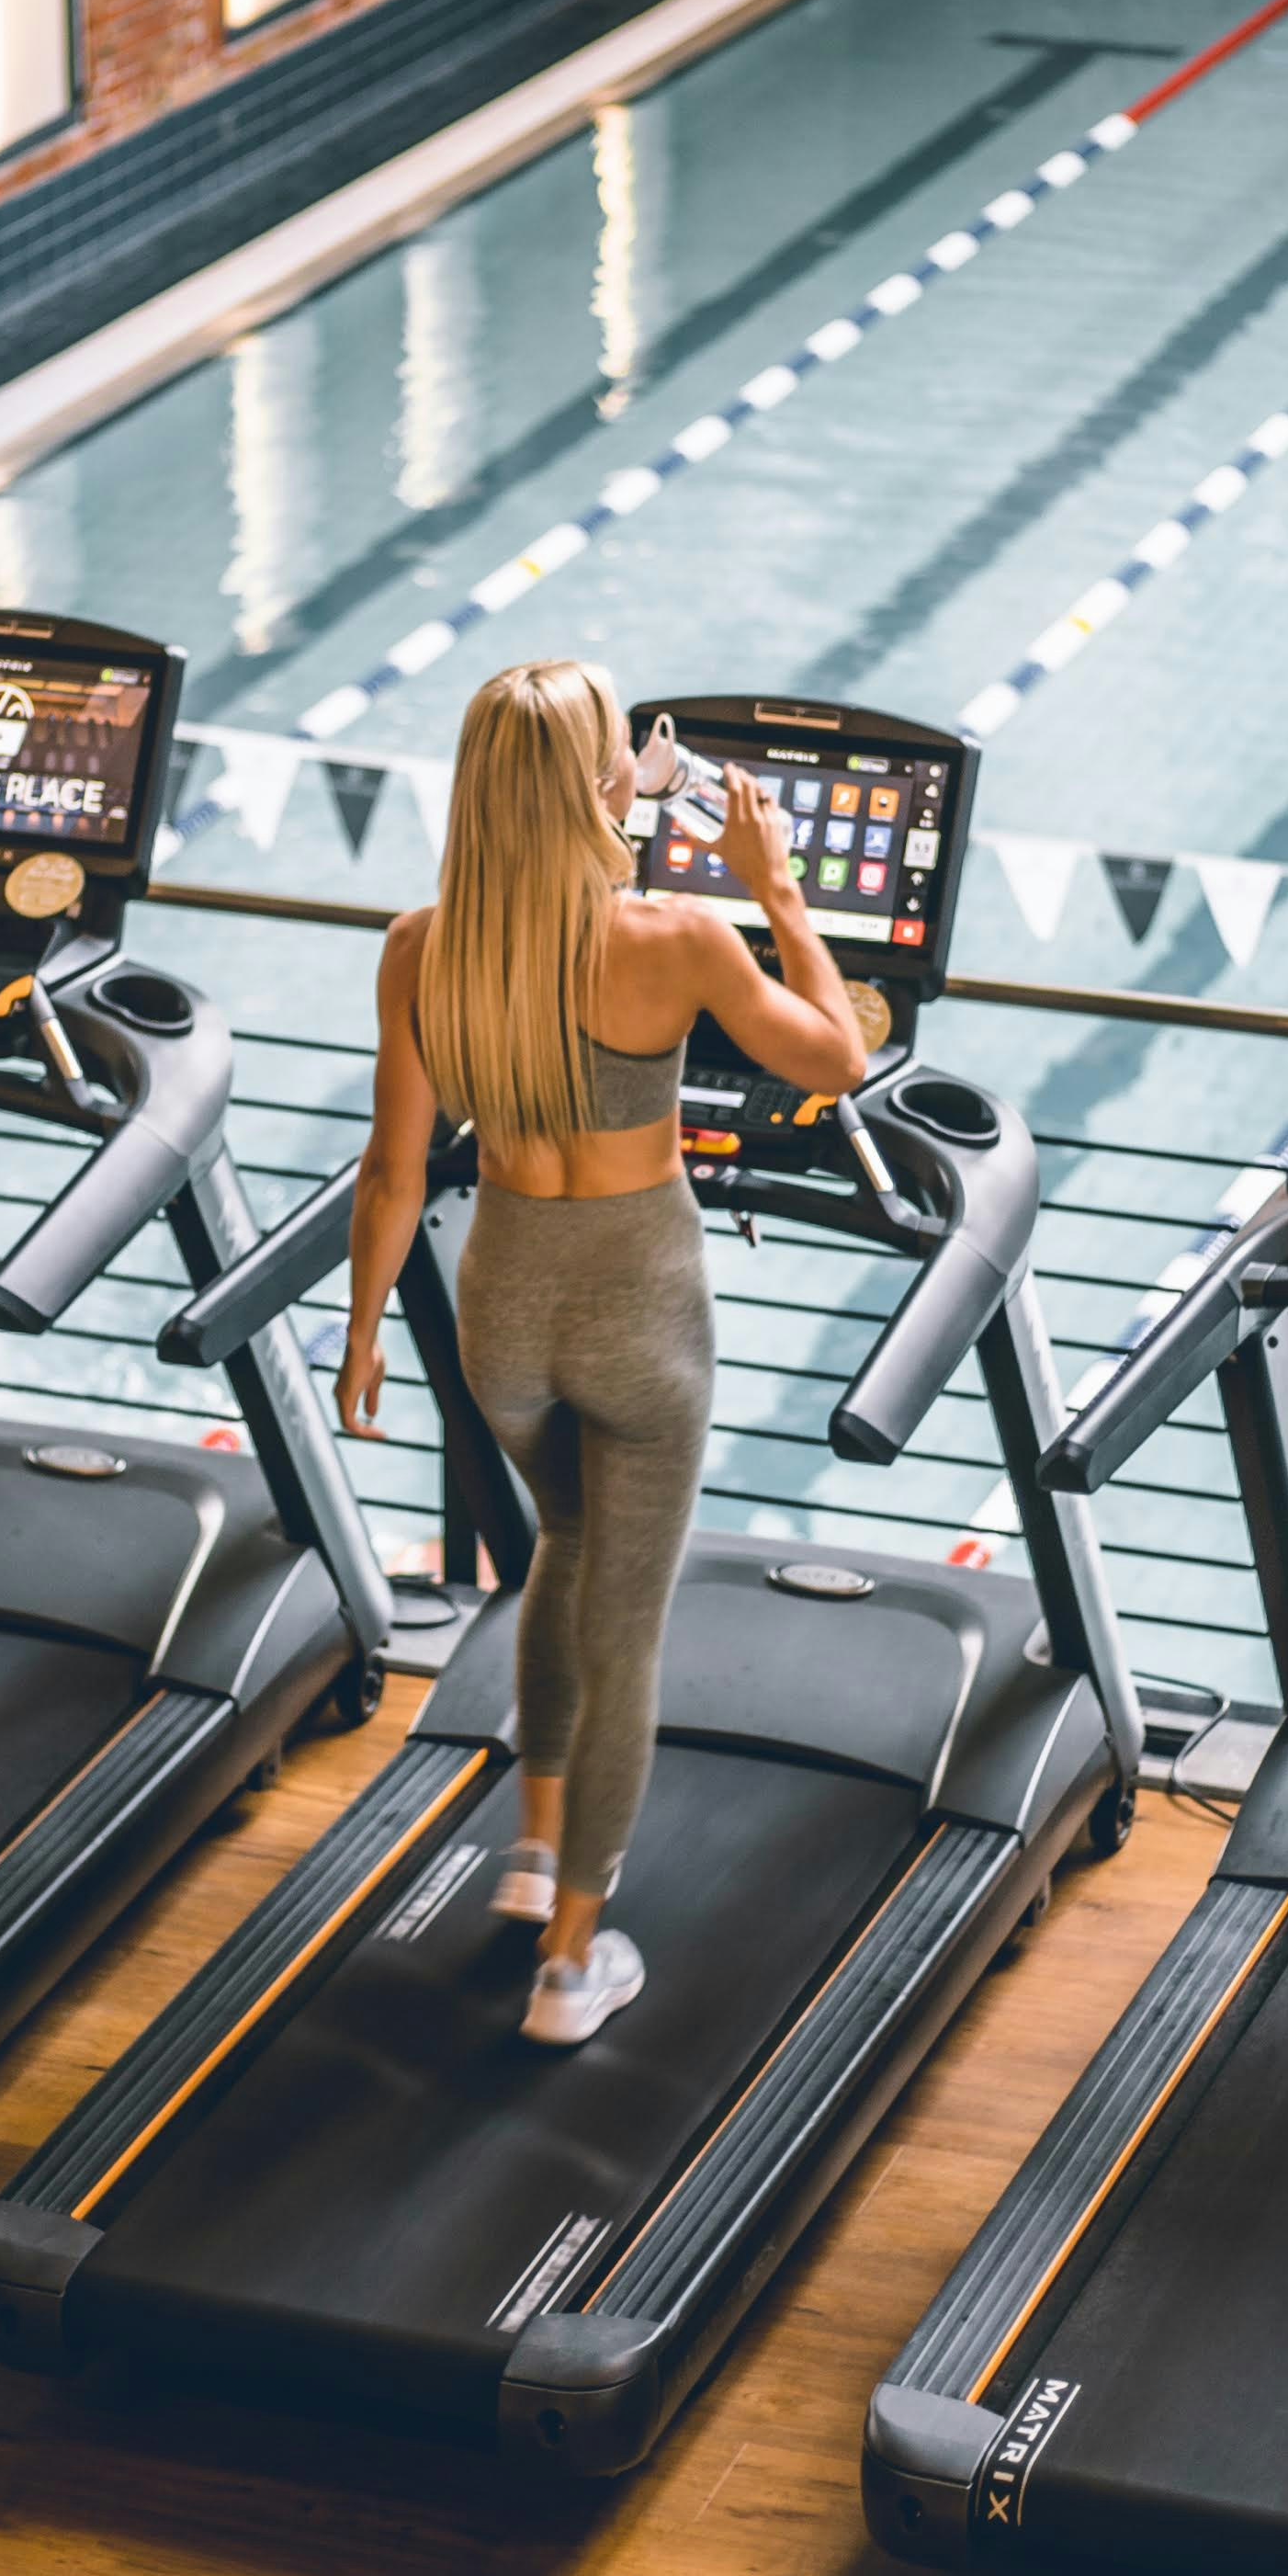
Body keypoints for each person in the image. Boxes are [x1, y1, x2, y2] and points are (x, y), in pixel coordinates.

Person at [337, 661, 867, 2046]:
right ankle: (572, 1962)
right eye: (621, 750)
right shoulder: (678, 937)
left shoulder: (419, 944)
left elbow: (392, 1170)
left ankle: (531, 1851)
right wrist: (778, 885)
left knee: (562, 1550)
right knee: (625, 1634)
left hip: (498, 1305)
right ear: (596, 785)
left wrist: (358, 1345)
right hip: (636, 1308)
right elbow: (832, 1062)